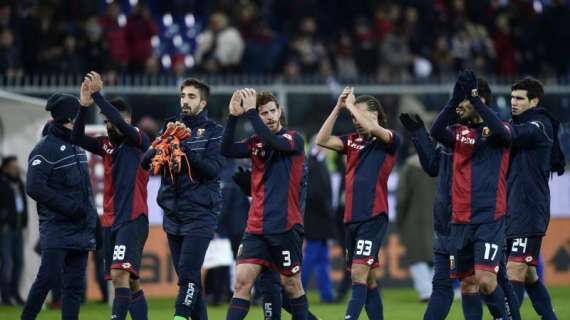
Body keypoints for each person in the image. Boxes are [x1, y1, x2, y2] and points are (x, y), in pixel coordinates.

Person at [430, 70, 512, 319]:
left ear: (481, 100)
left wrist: (475, 100)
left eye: (465, 100)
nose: (460, 106)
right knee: (467, 284)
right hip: (460, 220)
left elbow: (503, 134)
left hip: (489, 218)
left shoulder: (499, 130)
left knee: (487, 281)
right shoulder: (458, 133)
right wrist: (455, 99)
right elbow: (435, 131)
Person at [222, 89, 309, 320]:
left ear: (280, 112)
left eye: (272, 111)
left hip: (285, 226)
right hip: (256, 227)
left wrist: (251, 112)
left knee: (291, 285)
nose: (270, 116)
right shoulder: (254, 143)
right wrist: (232, 117)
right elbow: (226, 149)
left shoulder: (293, 139)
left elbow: (271, 142)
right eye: (264, 113)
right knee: (241, 283)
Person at [142, 78, 224, 320]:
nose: (185, 101)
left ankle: (179, 317)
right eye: (183, 96)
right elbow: (145, 163)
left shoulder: (214, 132)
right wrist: (160, 143)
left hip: (201, 213)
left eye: (191, 97)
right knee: (190, 281)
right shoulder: (170, 127)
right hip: (173, 212)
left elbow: (212, 170)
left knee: (188, 276)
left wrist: (184, 149)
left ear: (203, 103)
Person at [71, 71, 150, 320]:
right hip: (110, 220)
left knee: (119, 276)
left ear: (128, 120)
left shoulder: (138, 140)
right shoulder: (107, 145)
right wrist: (84, 106)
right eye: (106, 121)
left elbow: (121, 123)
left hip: (132, 218)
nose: (109, 124)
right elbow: (76, 137)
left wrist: (97, 95)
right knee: (130, 281)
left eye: (114, 120)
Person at [316, 87, 400, 320]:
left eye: (360, 115)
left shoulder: (389, 139)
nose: (356, 121)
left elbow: (374, 129)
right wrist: (339, 107)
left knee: (358, 275)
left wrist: (351, 105)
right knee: (369, 279)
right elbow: (322, 139)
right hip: (350, 219)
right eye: (352, 118)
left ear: (376, 115)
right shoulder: (352, 142)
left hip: (373, 217)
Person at [21, 93, 98, 320]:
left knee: (75, 287)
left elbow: (85, 189)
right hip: (57, 227)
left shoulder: (77, 144)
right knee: (48, 278)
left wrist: (90, 218)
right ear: (70, 116)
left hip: (81, 228)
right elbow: (34, 187)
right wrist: (70, 208)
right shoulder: (45, 148)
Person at [506, 77, 565, 319]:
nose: (514, 103)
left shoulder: (540, 123)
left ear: (535, 101)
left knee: (514, 269)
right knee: (528, 274)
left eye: (520, 98)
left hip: (530, 210)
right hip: (512, 208)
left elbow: (515, 134)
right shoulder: (513, 125)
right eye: (512, 98)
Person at [395, 147, 436, 302]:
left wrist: (400, 218)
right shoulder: (439, 162)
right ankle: (435, 290)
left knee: (416, 256)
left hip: (413, 219)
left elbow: (401, 196)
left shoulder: (409, 167)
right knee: (436, 255)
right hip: (437, 218)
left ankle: (426, 291)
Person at [301, 137, 336, 303]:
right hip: (315, 220)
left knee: (323, 259)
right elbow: (314, 194)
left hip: (321, 221)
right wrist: (327, 210)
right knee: (311, 258)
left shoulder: (319, 163)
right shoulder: (313, 163)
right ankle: (297, 292)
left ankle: (327, 295)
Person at [0, 155, 27, 305]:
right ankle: (5, 296)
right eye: (13, 166)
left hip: (18, 228)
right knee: (6, 263)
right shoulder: (2, 183)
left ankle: (15, 293)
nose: (16, 169)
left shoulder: (19, 183)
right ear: (5, 168)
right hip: (6, 229)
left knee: (19, 262)